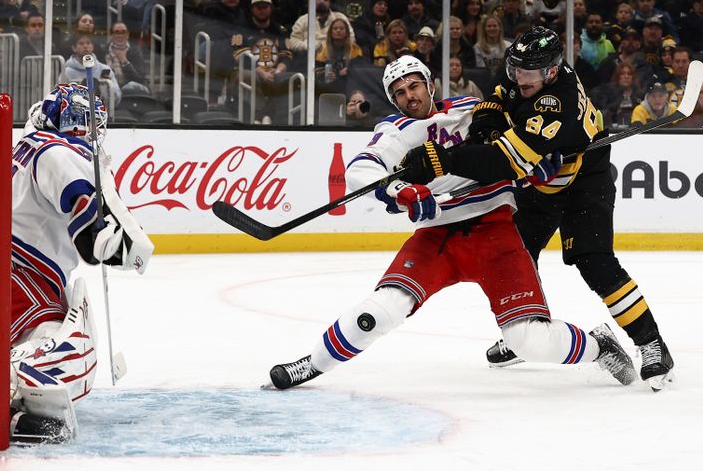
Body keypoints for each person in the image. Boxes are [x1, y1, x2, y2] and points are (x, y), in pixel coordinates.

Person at [266, 55, 636, 391]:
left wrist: (535, 165)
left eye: (414, 85)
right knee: (380, 310)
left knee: (527, 340)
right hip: (437, 237)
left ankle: (598, 346)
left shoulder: (471, 110)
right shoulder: (394, 131)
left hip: (496, 231)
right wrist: (400, 191)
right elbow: (362, 169)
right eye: (399, 92)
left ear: (430, 85)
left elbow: (521, 142)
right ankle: (312, 364)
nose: (409, 96)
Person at [397, 27, 675, 391]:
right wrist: (488, 119)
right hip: (543, 184)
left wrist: (441, 159)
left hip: (582, 183)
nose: (518, 78)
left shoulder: (555, 107)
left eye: (527, 74)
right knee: (517, 255)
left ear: (552, 72)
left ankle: (651, 343)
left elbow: (501, 161)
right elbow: (498, 95)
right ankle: (530, 333)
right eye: (516, 70)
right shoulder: (526, 68)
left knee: (594, 261)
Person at [0, 84, 153, 442]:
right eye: (76, 122)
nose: (83, 132)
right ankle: (14, 405)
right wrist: (108, 243)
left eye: (89, 124)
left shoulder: (19, 147)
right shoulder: (59, 153)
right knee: (63, 335)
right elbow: (87, 227)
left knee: (43, 310)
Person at [61, 33, 122, 106]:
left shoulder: (105, 69)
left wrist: (108, 89)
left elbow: (117, 98)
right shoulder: (67, 72)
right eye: (81, 43)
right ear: (74, 48)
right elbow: (61, 98)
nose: (85, 46)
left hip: (103, 113)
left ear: (92, 47)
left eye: (88, 43)